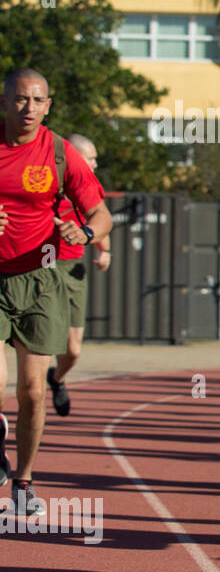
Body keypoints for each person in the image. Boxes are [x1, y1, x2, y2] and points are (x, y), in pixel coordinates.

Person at [0, 68, 112, 513]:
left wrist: (84, 233)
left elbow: (102, 215)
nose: (29, 108)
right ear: (5, 102)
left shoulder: (61, 153)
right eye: (20, 99)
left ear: (48, 105)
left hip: (42, 278)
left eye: (38, 100)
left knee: (32, 391)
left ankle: (23, 483)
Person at [46, 133, 111, 417]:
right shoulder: (46, 179)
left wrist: (104, 251)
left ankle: (57, 379)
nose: (95, 164)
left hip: (73, 270)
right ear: (73, 156)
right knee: (40, 345)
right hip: (42, 267)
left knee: (73, 351)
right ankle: (30, 402)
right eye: (91, 158)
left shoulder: (87, 187)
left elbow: (99, 220)